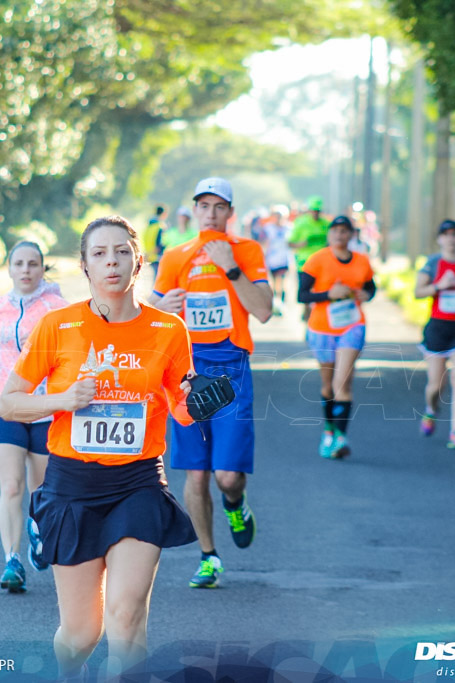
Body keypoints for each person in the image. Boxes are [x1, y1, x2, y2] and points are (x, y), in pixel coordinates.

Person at [0, 216, 198, 679]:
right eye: (100, 254)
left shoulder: (168, 330)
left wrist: (200, 404)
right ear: (85, 267)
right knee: (80, 634)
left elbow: (182, 407)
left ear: (138, 261)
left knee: (126, 616)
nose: (112, 262)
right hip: (72, 486)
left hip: (138, 484)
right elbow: (10, 403)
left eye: (122, 252)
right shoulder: (59, 326)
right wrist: (62, 400)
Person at [150, 177, 272, 589]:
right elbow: (151, 314)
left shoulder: (248, 251)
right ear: (195, 210)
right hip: (184, 373)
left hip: (231, 370)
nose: (211, 213)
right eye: (204, 205)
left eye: (220, 206)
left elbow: (265, 311)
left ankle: (235, 504)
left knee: (226, 476)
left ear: (230, 212)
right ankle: (209, 556)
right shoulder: (176, 255)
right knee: (196, 474)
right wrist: (160, 306)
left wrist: (231, 268)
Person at [0, 241, 68, 593]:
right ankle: (12, 560)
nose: (26, 270)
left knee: (40, 491)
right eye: (19, 263)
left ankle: (38, 536)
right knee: (11, 485)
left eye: (33, 264)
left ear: (43, 269)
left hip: (44, 408)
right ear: (10, 268)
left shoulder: (57, 308)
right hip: (3, 405)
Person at [297, 215, 377, 459]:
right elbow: (302, 295)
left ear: (352, 235)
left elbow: (371, 287)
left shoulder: (362, 261)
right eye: (336, 231)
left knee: (343, 383)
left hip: (351, 326)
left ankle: (341, 438)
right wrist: (328, 294)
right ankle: (329, 431)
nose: (340, 235)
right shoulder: (317, 260)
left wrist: (366, 294)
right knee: (328, 384)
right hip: (322, 328)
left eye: (345, 231)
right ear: (329, 235)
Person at [414, 219, 455, 449]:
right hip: (438, 328)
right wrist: (439, 285)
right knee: (436, 385)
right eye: (446, 235)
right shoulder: (432, 263)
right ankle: (431, 410)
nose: (451, 239)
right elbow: (418, 292)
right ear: (439, 239)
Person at [289, 196, 330, 320]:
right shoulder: (301, 223)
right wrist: (302, 244)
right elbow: (290, 243)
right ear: (309, 210)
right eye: (313, 211)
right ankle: (306, 310)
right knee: (305, 291)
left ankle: (319, 311)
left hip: (323, 263)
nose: (315, 214)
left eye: (318, 211)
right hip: (304, 263)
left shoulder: (326, 224)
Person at [259, 205, 293, 314]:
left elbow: (292, 243)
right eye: (276, 216)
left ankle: (281, 304)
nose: (278, 218)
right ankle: (275, 304)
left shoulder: (289, 227)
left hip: (284, 259)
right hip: (272, 260)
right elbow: (263, 242)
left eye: (280, 216)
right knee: (273, 284)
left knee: (282, 283)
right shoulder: (268, 228)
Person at [143, 205, 166, 278]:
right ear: (163, 214)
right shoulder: (160, 226)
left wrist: (147, 254)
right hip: (158, 257)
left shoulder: (148, 226)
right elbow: (161, 243)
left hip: (149, 256)